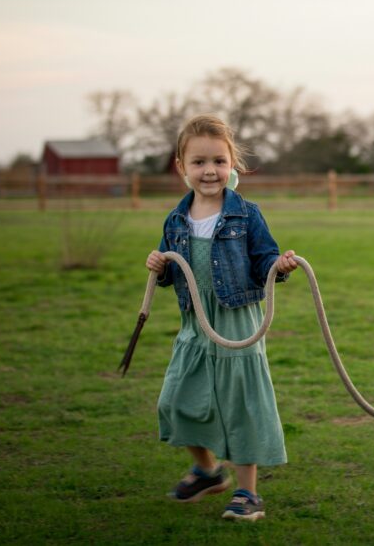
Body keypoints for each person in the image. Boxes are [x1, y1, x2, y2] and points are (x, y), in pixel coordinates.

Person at [146, 114, 298, 522]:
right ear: (181, 167)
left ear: (233, 165)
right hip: (195, 325)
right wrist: (159, 265)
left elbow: (265, 257)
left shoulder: (246, 214)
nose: (209, 170)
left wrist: (279, 266)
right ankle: (208, 471)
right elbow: (171, 271)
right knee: (176, 400)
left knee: (241, 405)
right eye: (198, 162)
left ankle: (248, 493)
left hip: (236, 323)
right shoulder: (176, 218)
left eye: (218, 161)